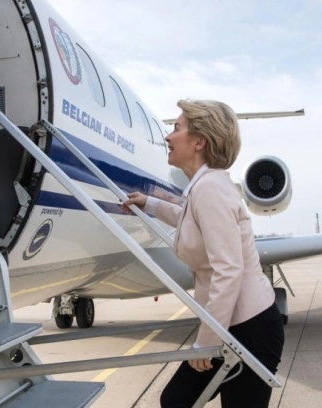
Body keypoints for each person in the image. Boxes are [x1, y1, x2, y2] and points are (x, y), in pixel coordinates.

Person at [122, 99, 284, 407]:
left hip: (249, 328)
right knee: (176, 400)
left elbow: (229, 270)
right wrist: (149, 203)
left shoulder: (209, 189)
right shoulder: (205, 186)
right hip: (236, 324)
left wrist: (207, 342)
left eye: (177, 128)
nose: (168, 136)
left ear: (199, 142)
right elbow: (189, 219)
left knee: (176, 400)